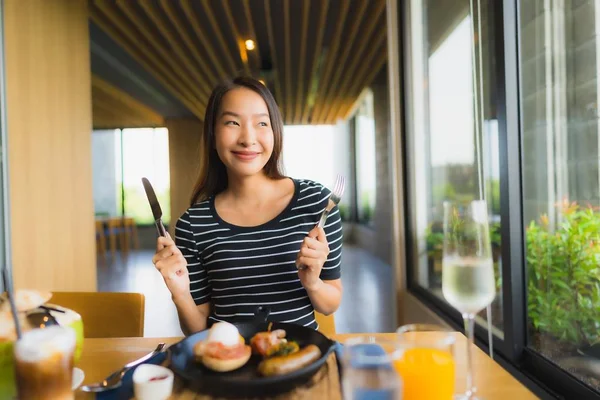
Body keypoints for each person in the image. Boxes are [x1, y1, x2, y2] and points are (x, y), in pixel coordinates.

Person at [152, 76, 343, 335]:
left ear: (275, 131)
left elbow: (331, 303)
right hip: (228, 365)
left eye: (261, 123)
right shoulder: (193, 225)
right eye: (232, 122)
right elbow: (197, 330)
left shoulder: (318, 203)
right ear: (213, 133)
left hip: (298, 359)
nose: (248, 138)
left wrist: (313, 283)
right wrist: (180, 294)